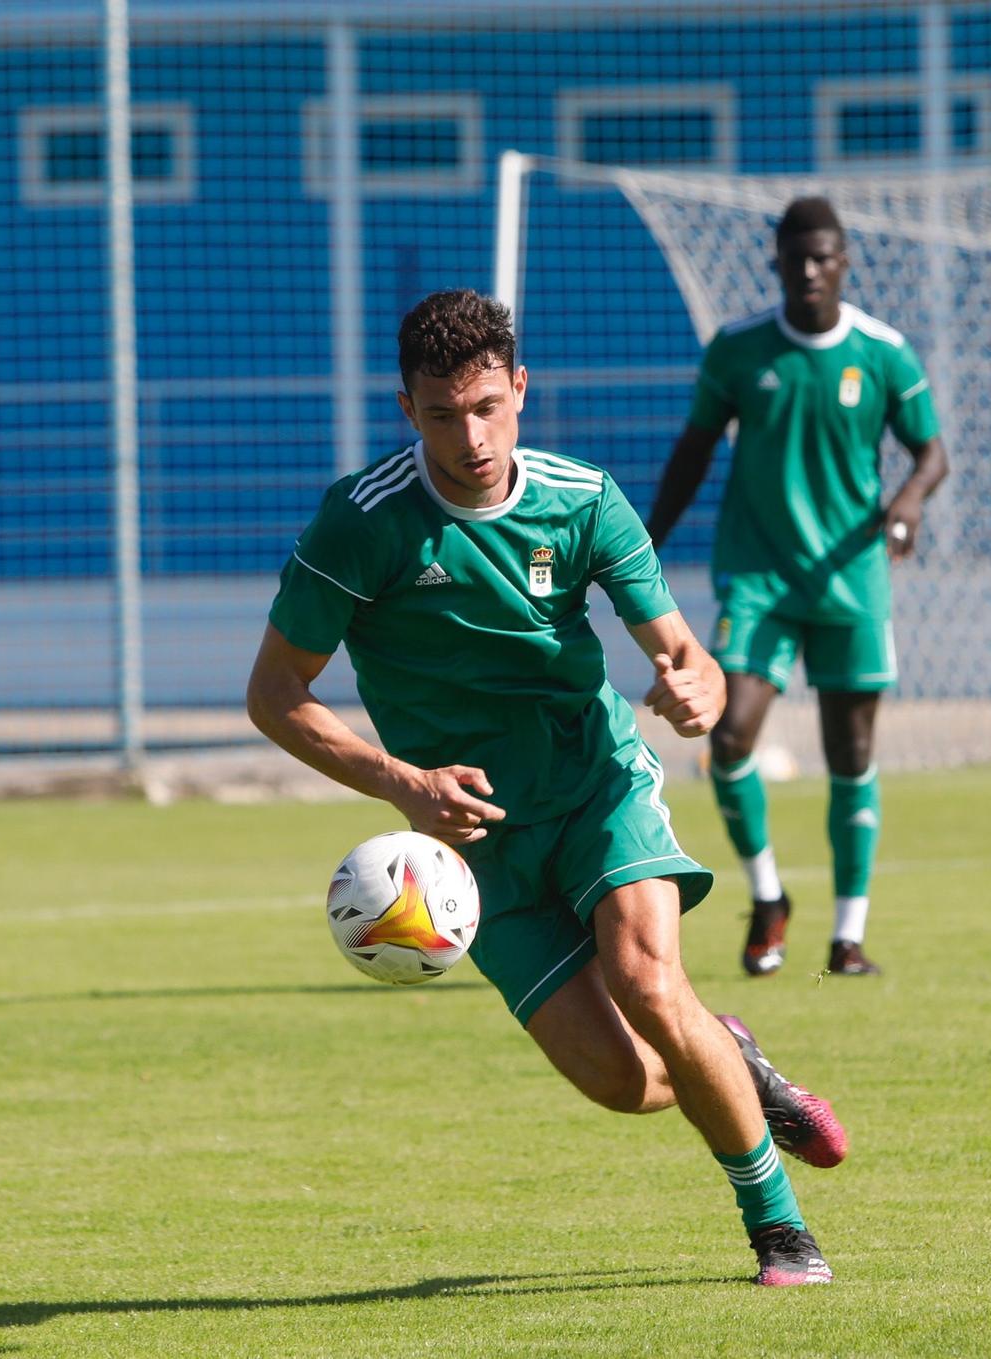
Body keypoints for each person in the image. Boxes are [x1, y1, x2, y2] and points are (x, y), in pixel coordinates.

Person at [247, 289, 847, 1287]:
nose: (469, 435)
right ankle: (729, 1054)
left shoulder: (582, 499)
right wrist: (402, 783)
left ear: (519, 390)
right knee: (621, 1081)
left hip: (594, 786)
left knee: (647, 979)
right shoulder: (363, 523)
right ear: (406, 411)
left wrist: (693, 688)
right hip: (480, 849)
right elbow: (274, 695)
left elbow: (681, 653)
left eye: (485, 406)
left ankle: (777, 1229)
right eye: (441, 414)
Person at [646, 197, 949, 979]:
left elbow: (932, 454)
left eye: (824, 257)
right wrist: (644, 544)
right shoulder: (739, 351)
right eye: (796, 258)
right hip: (758, 577)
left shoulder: (884, 353)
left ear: (845, 262)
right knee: (729, 734)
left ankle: (848, 937)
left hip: (851, 578)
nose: (810, 270)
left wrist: (907, 504)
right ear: (776, 262)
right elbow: (693, 452)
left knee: (851, 753)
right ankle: (769, 896)